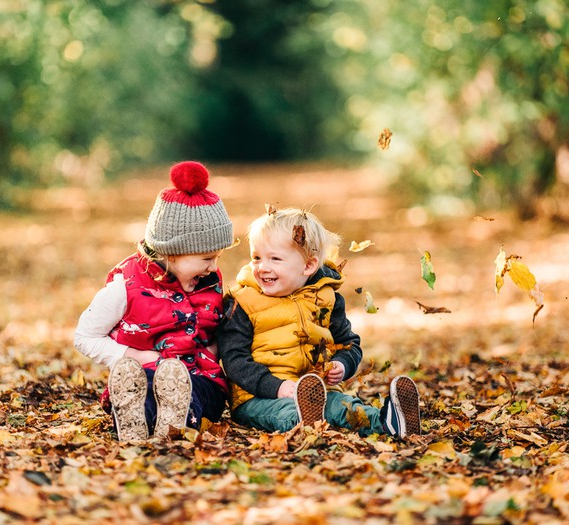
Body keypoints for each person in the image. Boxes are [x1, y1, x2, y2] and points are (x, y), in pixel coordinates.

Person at [217, 207, 421, 438]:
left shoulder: (326, 299)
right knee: (286, 412)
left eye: (274, 258)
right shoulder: (242, 302)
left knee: (343, 406)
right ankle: (305, 421)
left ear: (308, 266)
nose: (262, 267)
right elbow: (234, 359)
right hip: (258, 397)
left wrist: (342, 365)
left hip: (320, 391)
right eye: (256, 257)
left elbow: (348, 343)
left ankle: (388, 421)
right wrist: (275, 387)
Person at [74, 161, 235, 441]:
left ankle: (174, 422)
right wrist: (133, 356)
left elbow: (213, 333)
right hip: (143, 373)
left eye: (217, 258)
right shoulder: (126, 287)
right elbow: (85, 336)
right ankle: (135, 420)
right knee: (142, 389)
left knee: (194, 396)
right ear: (173, 253)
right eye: (207, 258)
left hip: (199, 377)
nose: (213, 267)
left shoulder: (210, 282)